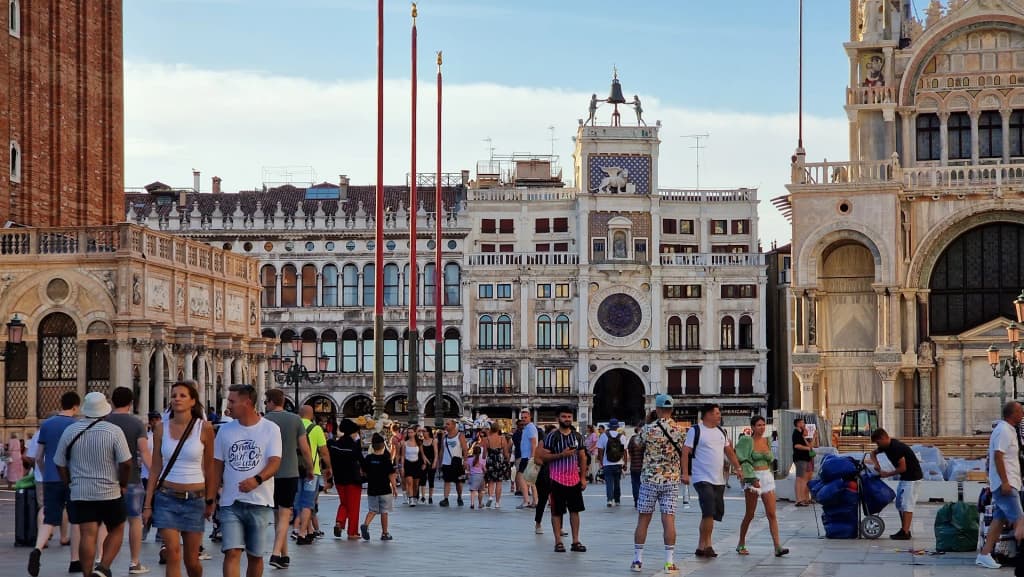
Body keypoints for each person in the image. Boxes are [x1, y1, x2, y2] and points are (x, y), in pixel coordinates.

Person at [53, 391, 133, 577]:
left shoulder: (70, 430)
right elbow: (126, 463)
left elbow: (59, 462)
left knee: (87, 534)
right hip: (109, 491)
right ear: (105, 410)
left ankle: (88, 574)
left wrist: (69, 483)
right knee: (117, 528)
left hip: (81, 492)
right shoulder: (113, 431)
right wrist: (123, 483)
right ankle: (103, 567)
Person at [143, 381, 215, 577]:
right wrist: (148, 504)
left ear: (193, 401)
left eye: (182, 395)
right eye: (174, 395)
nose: (177, 399)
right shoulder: (161, 429)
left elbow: (210, 468)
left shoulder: (205, 428)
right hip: (166, 497)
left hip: (195, 498)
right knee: (173, 554)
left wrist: (210, 500)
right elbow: (156, 468)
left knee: (191, 561)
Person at [212, 384, 282, 577]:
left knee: (255, 556)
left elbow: (275, 462)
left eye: (232, 401)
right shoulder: (225, 431)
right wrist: (210, 499)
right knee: (232, 552)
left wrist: (257, 479)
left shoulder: (270, 429)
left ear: (247, 402)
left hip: (260, 501)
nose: (228, 406)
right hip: (230, 502)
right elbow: (216, 466)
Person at [27, 392, 82, 577]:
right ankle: (75, 560)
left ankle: (37, 549)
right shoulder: (76, 425)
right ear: (76, 406)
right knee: (75, 519)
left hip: (50, 477)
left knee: (50, 517)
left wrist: (44, 472)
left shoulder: (47, 424)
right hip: (72, 478)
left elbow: (38, 456)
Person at [631, 394, 685, 574]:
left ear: (657, 409)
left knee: (643, 520)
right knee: (668, 519)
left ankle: (638, 560)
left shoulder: (648, 429)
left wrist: (647, 423)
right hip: (671, 480)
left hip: (649, 480)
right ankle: (669, 563)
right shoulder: (680, 430)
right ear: (672, 410)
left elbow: (637, 444)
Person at [682, 403, 741, 559]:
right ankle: (708, 545)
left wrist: (738, 469)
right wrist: (685, 474)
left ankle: (701, 546)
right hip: (702, 478)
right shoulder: (696, 430)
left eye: (719, 413)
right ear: (707, 414)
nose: (719, 415)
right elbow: (685, 452)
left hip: (718, 479)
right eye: (716, 413)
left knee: (713, 513)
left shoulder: (721, 431)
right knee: (708, 510)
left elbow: (729, 452)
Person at [262, 389, 313, 569]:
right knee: (285, 514)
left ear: (269, 402)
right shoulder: (295, 419)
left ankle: (285, 555)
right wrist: (310, 468)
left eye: (265, 402)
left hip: (268, 474)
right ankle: (276, 553)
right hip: (289, 473)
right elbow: (305, 449)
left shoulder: (264, 421)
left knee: (278, 514)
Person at [105, 387, 152, 575]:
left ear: (112, 402)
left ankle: (101, 559)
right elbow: (144, 452)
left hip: (107, 480)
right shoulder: (137, 423)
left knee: (103, 522)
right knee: (134, 521)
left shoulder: (104, 421)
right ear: (131, 403)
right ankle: (134, 562)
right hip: (132, 478)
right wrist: (156, 475)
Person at [977, 401, 1024, 569]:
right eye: (1020, 412)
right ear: (1012, 414)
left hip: (1010, 482)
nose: (1023, 415)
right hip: (1007, 484)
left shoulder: (1009, 430)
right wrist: (1004, 482)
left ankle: (984, 554)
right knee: (1020, 521)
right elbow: (998, 456)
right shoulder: (1003, 430)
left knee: (998, 520)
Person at [535, 407, 587, 553]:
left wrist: (583, 478)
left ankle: (575, 540)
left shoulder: (577, 437)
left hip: (574, 479)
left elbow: (582, 457)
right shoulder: (552, 437)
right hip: (556, 479)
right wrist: (561, 455)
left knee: (575, 511)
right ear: (558, 418)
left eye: (569, 416)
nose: (567, 419)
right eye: (564, 416)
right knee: (557, 512)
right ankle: (558, 541)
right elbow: (542, 457)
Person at [736, 416, 789, 557]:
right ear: (752, 427)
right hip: (753, 476)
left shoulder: (767, 440)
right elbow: (743, 460)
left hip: (767, 476)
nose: (762, 427)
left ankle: (777, 546)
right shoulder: (747, 440)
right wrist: (751, 478)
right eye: (758, 425)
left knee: (772, 514)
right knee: (750, 514)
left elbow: (771, 459)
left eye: (763, 424)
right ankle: (741, 543)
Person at [867, 428, 922, 540]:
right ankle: (904, 529)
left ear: (883, 438)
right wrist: (876, 464)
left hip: (912, 478)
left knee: (907, 505)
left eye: (878, 442)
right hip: (905, 478)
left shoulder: (896, 448)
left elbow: (902, 468)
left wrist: (887, 474)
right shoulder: (885, 446)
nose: (877, 445)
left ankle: (905, 532)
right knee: (900, 504)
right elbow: (872, 453)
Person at [294, 405, 330, 544]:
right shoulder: (316, 429)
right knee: (308, 502)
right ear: (312, 415)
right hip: (312, 471)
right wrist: (329, 468)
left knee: (299, 502)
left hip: (295, 470)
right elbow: (324, 451)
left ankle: (309, 530)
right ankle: (302, 533)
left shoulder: (294, 427)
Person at [326, 419, 364, 540]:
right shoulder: (354, 446)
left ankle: (339, 522)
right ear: (353, 432)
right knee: (353, 507)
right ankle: (352, 532)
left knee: (344, 503)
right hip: (353, 479)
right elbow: (361, 460)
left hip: (339, 479)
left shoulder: (334, 445)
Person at [360, 433, 397, 541]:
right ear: (383, 446)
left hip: (372, 489)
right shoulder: (386, 459)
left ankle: (365, 525)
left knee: (372, 510)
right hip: (385, 489)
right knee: (384, 512)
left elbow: (364, 472)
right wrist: (394, 487)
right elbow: (391, 474)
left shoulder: (369, 458)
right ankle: (385, 533)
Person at [533, 424, 560, 535]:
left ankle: (560, 526)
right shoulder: (542, 442)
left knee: (558, 501)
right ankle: (538, 523)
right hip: (544, 475)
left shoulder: (560, 444)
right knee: (543, 501)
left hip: (558, 475)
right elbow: (537, 459)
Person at [439, 418, 468, 507]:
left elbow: (465, 449)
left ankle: (459, 496)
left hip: (457, 462)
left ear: (453, 425)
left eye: (448, 424)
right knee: (447, 481)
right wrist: (440, 462)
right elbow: (442, 450)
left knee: (458, 482)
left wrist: (465, 461)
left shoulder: (460, 435)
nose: (446, 426)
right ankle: (446, 499)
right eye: (446, 424)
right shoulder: (444, 436)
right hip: (446, 462)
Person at [597, 418, 626, 506]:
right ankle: (617, 500)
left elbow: (600, 450)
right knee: (617, 482)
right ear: (617, 427)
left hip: (607, 463)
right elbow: (623, 451)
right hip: (618, 463)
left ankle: (610, 500)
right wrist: (625, 463)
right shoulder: (622, 436)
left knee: (609, 482)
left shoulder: (603, 436)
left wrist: (601, 461)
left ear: (609, 426)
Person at [483, 422, 509, 508]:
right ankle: (497, 503)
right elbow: (506, 453)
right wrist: (507, 460)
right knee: (499, 482)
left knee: (491, 481)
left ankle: (490, 497)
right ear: (498, 429)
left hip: (490, 460)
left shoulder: (486, 439)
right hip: (499, 460)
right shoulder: (502, 439)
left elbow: (484, 454)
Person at [516, 410, 538, 509]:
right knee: (531, 480)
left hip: (527, 457)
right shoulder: (527, 428)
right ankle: (535, 501)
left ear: (530, 417)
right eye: (522, 418)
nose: (524, 419)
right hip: (526, 456)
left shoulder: (530, 428)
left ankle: (526, 500)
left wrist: (532, 458)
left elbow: (534, 443)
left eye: (525, 417)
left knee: (521, 478)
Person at [399, 428, 425, 506]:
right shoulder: (404, 443)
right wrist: (402, 467)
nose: (410, 434)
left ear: (414, 433)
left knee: (416, 484)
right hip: (408, 464)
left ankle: (414, 497)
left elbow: (422, 454)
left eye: (411, 432)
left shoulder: (419, 443)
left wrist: (424, 463)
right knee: (409, 482)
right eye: (408, 432)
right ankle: (411, 499)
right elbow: (402, 456)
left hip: (416, 464)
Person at [792, 418, 813, 507]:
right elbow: (796, 445)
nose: (804, 424)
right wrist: (807, 448)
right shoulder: (796, 433)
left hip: (804, 458)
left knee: (802, 478)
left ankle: (803, 499)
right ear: (798, 424)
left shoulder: (800, 434)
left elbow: (809, 444)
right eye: (802, 423)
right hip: (800, 458)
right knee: (800, 478)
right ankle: (799, 499)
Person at [627, 425, 645, 507]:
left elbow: (629, 450)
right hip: (644, 466)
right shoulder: (645, 439)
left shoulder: (632, 439)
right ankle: (643, 500)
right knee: (644, 484)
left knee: (635, 483)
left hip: (634, 465)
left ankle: (636, 500)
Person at [419, 426, 437, 504]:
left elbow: (436, 453)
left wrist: (434, 463)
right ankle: (423, 496)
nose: (423, 432)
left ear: (429, 432)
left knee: (431, 479)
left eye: (425, 431)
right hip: (424, 462)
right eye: (422, 431)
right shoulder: (421, 441)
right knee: (422, 479)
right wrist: (426, 462)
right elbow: (422, 454)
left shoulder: (434, 441)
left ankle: (430, 497)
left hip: (432, 461)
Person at [467, 445, 487, 509]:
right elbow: (485, 469)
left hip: (473, 476)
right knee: (480, 491)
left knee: (473, 491)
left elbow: (468, 469)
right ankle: (480, 503)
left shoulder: (469, 459)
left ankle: (472, 504)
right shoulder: (482, 460)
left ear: (473, 452)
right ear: (480, 452)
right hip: (481, 476)